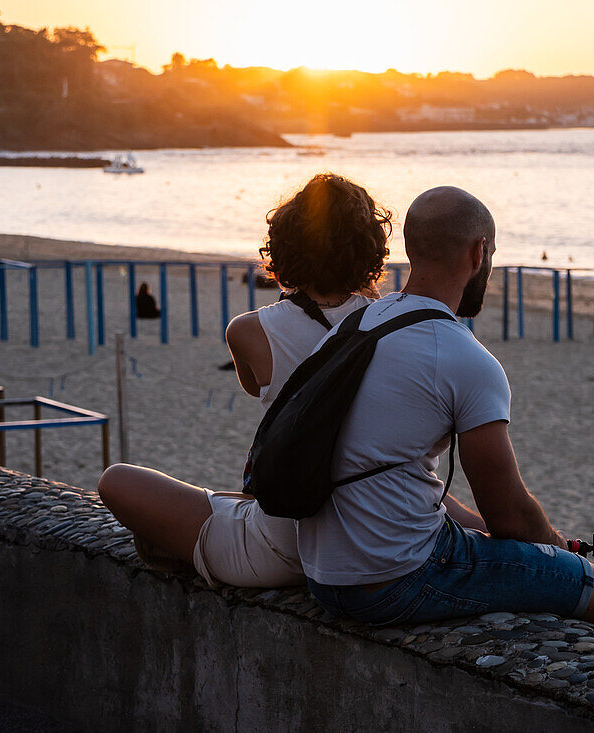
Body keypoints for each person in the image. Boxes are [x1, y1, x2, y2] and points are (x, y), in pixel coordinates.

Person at [96, 174, 495, 587]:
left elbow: (255, 387)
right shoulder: (390, 324)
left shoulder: (249, 331)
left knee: (118, 481)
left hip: (280, 550)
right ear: (371, 249)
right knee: (391, 467)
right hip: (365, 540)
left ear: (283, 247)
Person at [299, 186, 594, 637]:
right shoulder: (465, 357)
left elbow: (383, 468)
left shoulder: (355, 326)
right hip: (396, 578)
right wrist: (560, 549)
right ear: (479, 252)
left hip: (323, 576)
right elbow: (508, 515)